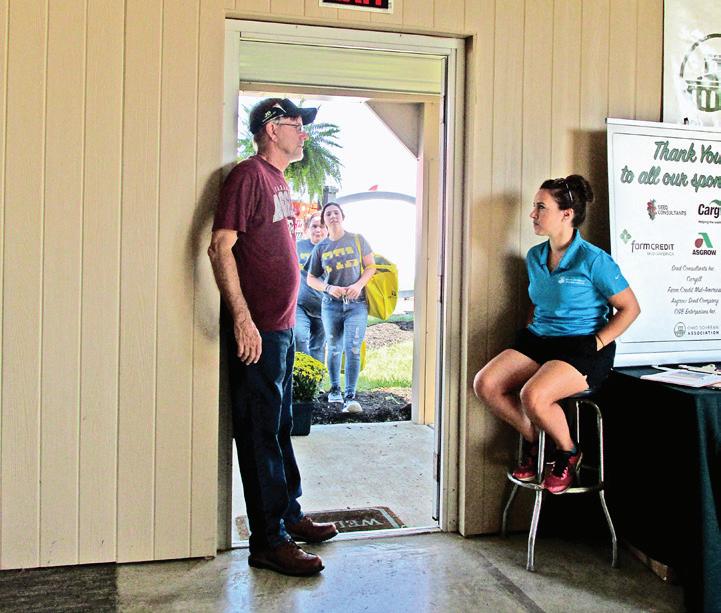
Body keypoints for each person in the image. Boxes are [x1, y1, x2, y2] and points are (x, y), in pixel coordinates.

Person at [208, 98, 338, 577]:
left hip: (281, 328)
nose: (303, 134)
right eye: (296, 125)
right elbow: (220, 247)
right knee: (260, 433)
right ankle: (268, 542)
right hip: (258, 330)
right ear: (270, 129)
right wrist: (242, 319)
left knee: (280, 427)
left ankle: (288, 515)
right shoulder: (248, 176)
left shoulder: (279, 181)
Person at [473, 175, 640, 494]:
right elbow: (539, 302)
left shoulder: (594, 260)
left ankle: (568, 451)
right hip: (540, 339)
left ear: (567, 214)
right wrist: (531, 332)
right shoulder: (535, 257)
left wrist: (596, 342)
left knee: (533, 396)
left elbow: (630, 308)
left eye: (541, 207)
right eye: (534, 207)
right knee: (486, 384)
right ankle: (540, 442)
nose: (532, 214)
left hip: (583, 346)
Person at [306, 202, 375, 414]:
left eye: (336, 212)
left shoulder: (357, 239)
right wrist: (328, 288)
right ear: (324, 221)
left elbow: (371, 266)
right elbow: (311, 278)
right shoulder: (321, 248)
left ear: (342, 216)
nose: (333, 216)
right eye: (328, 214)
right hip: (331, 306)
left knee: (353, 348)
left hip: (356, 304)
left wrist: (358, 285)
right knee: (334, 348)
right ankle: (335, 390)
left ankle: (351, 396)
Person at [294, 213, 328, 363]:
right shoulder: (298, 247)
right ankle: (302, 375)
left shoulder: (334, 249)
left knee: (318, 348)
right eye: (314, 226)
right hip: (300, 305)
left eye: (322, 226)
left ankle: (316, 378)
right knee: (299, 338)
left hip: (325, 308)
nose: (318, 230)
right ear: (308, 228)